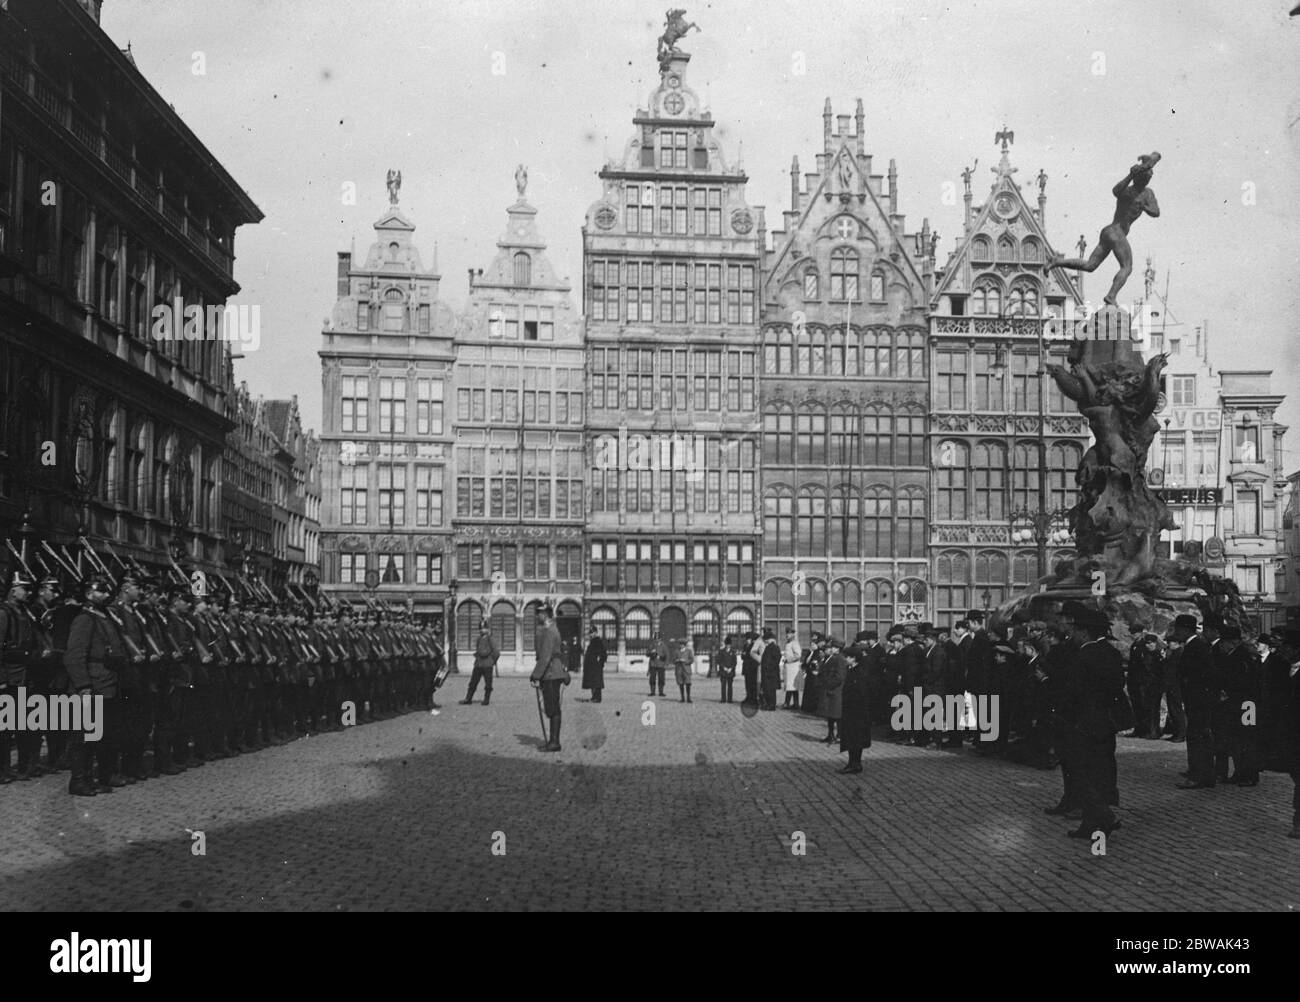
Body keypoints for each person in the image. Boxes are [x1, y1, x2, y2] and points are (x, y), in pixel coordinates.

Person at [1058, 607, 1124, 838]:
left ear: (1084, 632)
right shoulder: (1111, 653)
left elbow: (1073, 693)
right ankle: (1090, 824)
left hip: (1084, 722)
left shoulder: (1082, 656)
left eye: (1074, 630)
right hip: (1106, 722)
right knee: (1101, 771)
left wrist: (1065, 714)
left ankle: (1103, 816)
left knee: (1081, 772)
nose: (1072, 635)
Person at [63, 576, 126, 797]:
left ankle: (97, 777)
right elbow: (74, 656)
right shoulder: (85, 619)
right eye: (101, 591)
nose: (107, 595)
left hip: (107, 683)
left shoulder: (104, 616)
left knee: (103, 735)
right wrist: (83, 686)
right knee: (84, 737)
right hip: (92, 684)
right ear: (89, 594)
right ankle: (79, 781)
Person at [1168, 614, 1218, 789]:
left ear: (1184, 630)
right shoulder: (1197, 646)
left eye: (1177, 629)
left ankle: (1198, 776)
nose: (1175, 633)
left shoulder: (1195, 647)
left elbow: (1203, 676)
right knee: (1201, 737)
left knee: (1197, 738)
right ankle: (1205, 775)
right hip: (1198, 701)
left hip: (1198, 701)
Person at [529, 606, 570, 752]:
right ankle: (553, 741)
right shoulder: (549, 629)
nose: (537, 616)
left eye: (539, 613)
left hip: (551, 673)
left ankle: (554, 742)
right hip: (552, 672)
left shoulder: (550, 631)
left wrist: (535, 675)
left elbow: (546, 656)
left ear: (545, 614)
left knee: (553, 708)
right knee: (552, 707)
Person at [839, 634, 872, 773]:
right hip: (850, 710)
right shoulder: (852, 670)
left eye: (847, 657)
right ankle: (852, 762)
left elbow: (861, 692)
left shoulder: (860, 672)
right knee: (851, 737)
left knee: (855, 738)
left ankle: (855, 764)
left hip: (857, 711)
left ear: (853, 658)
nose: (845, 659)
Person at [460, 618, 499, 706]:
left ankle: (486, 699)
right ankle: (468, 698)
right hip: (478, 664)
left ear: (488, 629)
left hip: (487, 664)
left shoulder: (490, 639)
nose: (482, 630)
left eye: (484, 628)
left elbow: (496, 652)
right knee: (473, 682)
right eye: (481, 628)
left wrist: (492, 661)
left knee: (488, 683)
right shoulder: (478, 639)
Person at [818, 635, 845, 742]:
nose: (831, 649)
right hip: (832, 691)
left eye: (833, 647)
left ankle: (839, 735)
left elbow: (839, 677)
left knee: (837, 715)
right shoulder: (835, 658)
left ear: (838, 648)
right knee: (831, 715)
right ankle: (831, 735)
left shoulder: (840, 659)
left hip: (836, 691)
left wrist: (829, 684)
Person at [582, 626, 607, 703]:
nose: (590, 635)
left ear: (596, 633)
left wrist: (600, 663)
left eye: (592, 633)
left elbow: (603, 654)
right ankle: (594, 697)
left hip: (595, 666)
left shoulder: (598, 641)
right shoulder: (593, 641)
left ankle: (597, 698)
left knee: (596, 683)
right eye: (590, 633)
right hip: (592, 666)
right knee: (593, 683)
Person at [758, 629, 781, 711]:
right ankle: (768, 704)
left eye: (766, 640)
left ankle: (771, 705)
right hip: (767, 673)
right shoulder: (769, 647)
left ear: (770, 639)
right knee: (767, 689)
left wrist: (768, 667)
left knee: (771, 690)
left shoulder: (774, 647)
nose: (765, 641)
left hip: (771, 673)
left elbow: (776, 660)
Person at [781, 627, 803, 709]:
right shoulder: (788, 643)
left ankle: (788, 703)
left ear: (793, 634)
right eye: (787, 633)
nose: (787, 635)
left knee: (792, 686)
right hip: (789, 668)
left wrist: (788, 659)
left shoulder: (795, 643)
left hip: (793, 667)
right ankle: (795, 703)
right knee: (791, 686)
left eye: (789, 633)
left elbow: (798, 655)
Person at [715, 635, 737, 703]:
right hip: (723, 671)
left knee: (730, 686)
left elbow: (734, 662)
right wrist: (723, 667)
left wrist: (731, 668)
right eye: (727, 644)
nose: (728, 646)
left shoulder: (733, 652)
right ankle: (723, 699)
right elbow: (718, 660)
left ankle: (730, 699)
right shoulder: (721, 651)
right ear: (725, 644)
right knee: (723, 685)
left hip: (730, 670)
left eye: (729, 644)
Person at [740, 630, 759, 705]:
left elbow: (752, 657)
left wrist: (745, 655)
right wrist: (744, 655)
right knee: (747, 684)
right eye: (746, 639)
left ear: (751, 639)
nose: (747, 640)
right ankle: (748, 697)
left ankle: (753, 698)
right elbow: (742, 656)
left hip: (752, 668)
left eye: (748, 639)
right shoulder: (745, 646)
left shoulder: (754, 647)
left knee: (752, 684)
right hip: (746, 668)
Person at [674, 636, 695, 703]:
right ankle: (682, 698)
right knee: (681, 684)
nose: (681, 646)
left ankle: (688, 697)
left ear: (684, 645)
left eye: (682, 644)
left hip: (686, 669)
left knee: (688, 684)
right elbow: (673, 660)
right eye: (680, 644)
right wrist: (677, 660)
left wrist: (685, 661)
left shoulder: (689, 651)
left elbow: (692, 660)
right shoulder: (676, 651)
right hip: (679, 670)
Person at [648, 631, 668, 697]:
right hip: (653, 664)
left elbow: (666, 655)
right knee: (652, 678)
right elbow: (647, 654)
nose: (656, 640)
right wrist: (651, 652)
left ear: (660, 639)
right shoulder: (651, 645)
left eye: (658, 639)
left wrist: (665, 664)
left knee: (661, 678)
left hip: (661, 664)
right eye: (655, 639)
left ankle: (661, 692)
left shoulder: (663, 646)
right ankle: (652, 691)